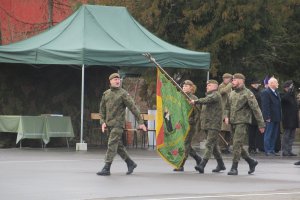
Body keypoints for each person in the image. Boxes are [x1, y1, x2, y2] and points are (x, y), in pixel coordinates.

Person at [97, 73, 147, 176]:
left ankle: (106, 167)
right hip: (109, 124)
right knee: (118, 146)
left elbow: (134, 108)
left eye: (118, 79)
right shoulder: (106, 94)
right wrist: (102, 122)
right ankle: (130, 163)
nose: (117, 81)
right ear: (110, 81)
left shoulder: (123, 94)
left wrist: (141, 122)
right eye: (115, 79)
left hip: (118, 124)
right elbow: (102, 111)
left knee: (111, 144)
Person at [224, 73, 265, 175]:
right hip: (233, 122)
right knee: (237, 144)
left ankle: (234, 167)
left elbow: (256, 109)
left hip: (242, 122)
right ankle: (251, 162)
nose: (232, 82)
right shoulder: (232, 93)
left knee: (236, 144)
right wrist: (226, 116)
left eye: (234, 80)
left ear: (241, 80)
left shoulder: (248, 93)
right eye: (232, 80)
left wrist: (261, 124)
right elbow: (227, 107)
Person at [192, 80, 226, 174]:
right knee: (214, 146)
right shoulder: (209, 95)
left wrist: (196, 101)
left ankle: (202, 165)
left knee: (209, 144)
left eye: (209, 85)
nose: (207, 87)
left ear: (215, 86)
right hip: (208, 125)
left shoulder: (216, 94)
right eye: (207, 85)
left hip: (213, 125)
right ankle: (221, 164)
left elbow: (207, 100)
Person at [174, 80, 202, 171]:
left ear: (191, 87)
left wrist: (193, 123)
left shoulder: (193, 98)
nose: (184, 87)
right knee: (186, 144)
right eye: (183, 86)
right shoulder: (180, 97)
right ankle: (198, 158)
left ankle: (181, 164)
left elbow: (197, 113)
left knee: (185, 144)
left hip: (190, 125)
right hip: (181, 124)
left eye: (186, 86)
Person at [261, 77, 282, 156]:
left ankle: (272, 149)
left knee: (274, 134)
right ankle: (268, 150)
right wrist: (267, 117)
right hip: (270, 117)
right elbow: (265, 106)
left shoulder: (276, 92)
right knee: (268, 134)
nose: (278, 84)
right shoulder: (266, 92)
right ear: (271, 83)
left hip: (276, 116)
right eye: (276, 82)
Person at [281, 80, 298, 156]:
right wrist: (289, 91)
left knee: (292, 136)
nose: (292, 89)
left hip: (294, 118)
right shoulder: (283, 94)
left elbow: (296, 106)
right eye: (290, 87)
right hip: (287, 118)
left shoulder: (292, 96)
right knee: (286, 135)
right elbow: (284, 99)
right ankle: (285, 151)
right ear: (285, 88)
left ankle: (289, 150)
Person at [218, 73, 233, 154]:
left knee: (228, 131)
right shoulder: (222, 86)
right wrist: (230, 84)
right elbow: (222, 92)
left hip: (229, 110)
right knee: (223, 130)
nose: (230, 80)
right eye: (228, 79)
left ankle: (227, 146)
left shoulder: (230, 88)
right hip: (223, 110)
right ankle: (221, 147)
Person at [248, 78, 262, 154]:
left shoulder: (259, 92)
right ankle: (251, 147)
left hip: (258, 114)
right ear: (252, 85)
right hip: (252, 115)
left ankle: (256, 147)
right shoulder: (250, 92)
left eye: (257, 84)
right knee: (251, 133)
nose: (256, 85)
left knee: (257, 133)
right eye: (255, 84)